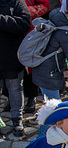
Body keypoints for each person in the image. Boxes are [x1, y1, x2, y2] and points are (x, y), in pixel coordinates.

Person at [32, 0, 68, 137]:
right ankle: (41, 143)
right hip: (48, 74)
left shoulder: (64, 24)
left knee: (51, 109)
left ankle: (47, 141)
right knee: (52, 112)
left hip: (46, 71)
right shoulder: (67, 31)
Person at [0, 0, 30, 137]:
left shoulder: (17, 3)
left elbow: (24, 24)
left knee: (15, 89)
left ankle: (17, 121)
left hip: (12, 57)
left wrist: (1, 19)